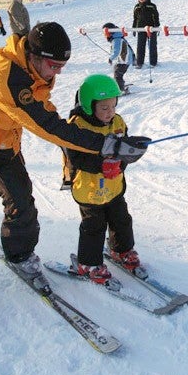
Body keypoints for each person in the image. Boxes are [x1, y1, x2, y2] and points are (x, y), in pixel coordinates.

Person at [0, 22, 152, 330]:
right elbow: (47, 126)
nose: (56, 73)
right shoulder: (4, 74)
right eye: (52, 65)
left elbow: (45, 110)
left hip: (0, 135)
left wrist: (111, 140)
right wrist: (107, 145)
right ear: (32, 54)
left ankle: (20, 255)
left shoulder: (35, 70)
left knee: (21, 200)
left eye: (62, 67)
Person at [61, 74, 145, 285]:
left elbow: (124, 149)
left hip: (114, 186)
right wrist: (101, 165)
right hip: (88, 189)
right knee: (94, 225)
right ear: (89, 106)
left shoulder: (117, 122)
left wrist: (124, 160)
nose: (110, 113)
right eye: (104, 108)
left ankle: (122, 251)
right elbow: (76, 159)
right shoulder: (77, 126)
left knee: (121, 219)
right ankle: (88, 263)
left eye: (113, 106)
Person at [103, 22, 135, 93]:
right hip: (123, 60)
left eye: (105, 34)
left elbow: (116, 51)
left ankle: (121, 90)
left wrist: (111, 58)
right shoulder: (117, 37)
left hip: (124, 61)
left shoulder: (116, 40)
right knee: (117, 71)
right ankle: (119, 84)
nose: (105, 36)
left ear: (109, 33)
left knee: (118, 74)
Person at [132, 0, 160, 69]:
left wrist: (156, 27)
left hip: (151, 29)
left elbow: (156, 17)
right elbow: (135, 19)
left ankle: (153, 62)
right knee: (140, 46)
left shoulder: (151, 6)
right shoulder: (136, 7)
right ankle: (139, 63)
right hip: (141, 29)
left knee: (152, 46)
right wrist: (134, 28)